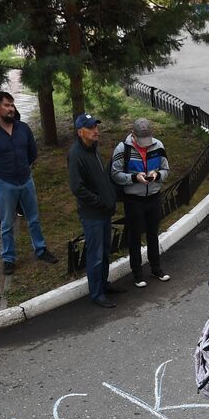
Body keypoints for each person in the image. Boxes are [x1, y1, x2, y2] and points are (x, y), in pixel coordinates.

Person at [0, 91, 56, 274]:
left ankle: (41, 249)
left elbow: (32, 152)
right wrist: (2, 173)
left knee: (33, 218)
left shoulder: (23, 128)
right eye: (7, 105)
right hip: (4, 183)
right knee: (7, 223)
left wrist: (23, 168)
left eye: (12, 105)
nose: (11, 109)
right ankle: (8, 258)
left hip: (26, 180)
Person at [68, 114, 122, 309]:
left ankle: (104, 284)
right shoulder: (76, 154)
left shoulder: (92, 149)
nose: (95, 131)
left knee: (105, 251)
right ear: (80, 131)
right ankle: (96, 293)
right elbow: (77, 188)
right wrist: (99, 201)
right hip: (93, 214)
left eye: (96, 127)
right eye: (90, 128)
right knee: (96, 254)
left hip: (104, 211)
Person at [111, 118, 171, 287]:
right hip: (133, 199)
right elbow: (115, 174)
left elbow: (166, 169)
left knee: (153, 234)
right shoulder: (123, 148)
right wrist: (134, 178)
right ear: (133, 135)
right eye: (141, 141)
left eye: (148, 140)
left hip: (153, 196)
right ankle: (137, 274)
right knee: (135, 237)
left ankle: (156, 268)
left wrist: (157, 175)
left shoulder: (158, 146)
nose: (145, 144)